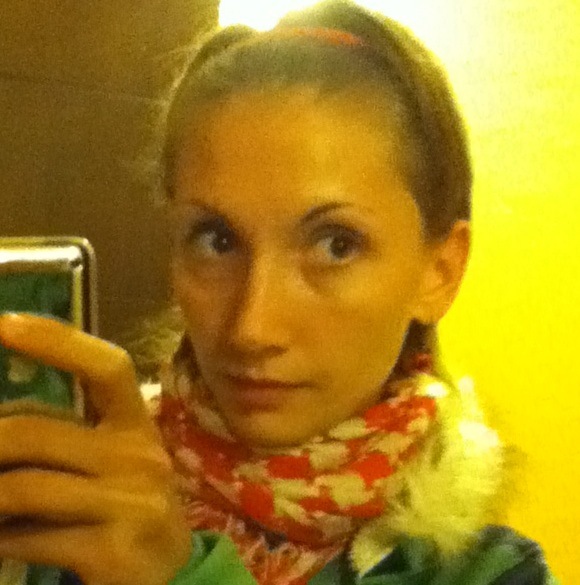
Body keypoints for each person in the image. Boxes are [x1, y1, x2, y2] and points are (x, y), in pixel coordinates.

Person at [0, 1, 560, 584]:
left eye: (336, 245)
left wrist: (179, 575)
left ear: (439, 272)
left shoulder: (490, 573)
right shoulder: (64, 510)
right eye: (217, 240)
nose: (253, 328)